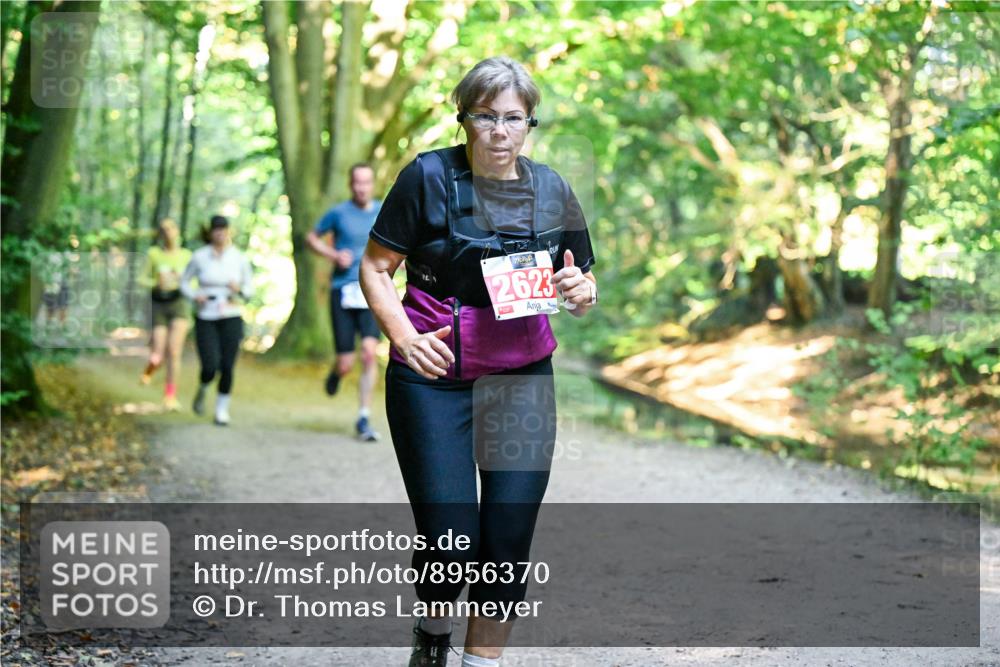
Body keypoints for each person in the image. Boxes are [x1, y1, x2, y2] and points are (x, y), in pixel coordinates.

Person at [359, 57, 597, 667]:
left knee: (508, 541)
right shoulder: (427, 178)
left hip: (519, 379)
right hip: (432, 379)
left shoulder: (552, 190)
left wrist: (581, 291)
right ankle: (433, 637)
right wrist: (404, 336)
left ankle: (480, 662)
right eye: (485, 117)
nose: (499, 131)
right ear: (464, 118)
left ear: (529, 123)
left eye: (513, 118)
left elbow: (579, 278)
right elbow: (377, 267)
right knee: (450, 543)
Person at [306, 163, 383, 442]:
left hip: (372, 289)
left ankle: (363, 416)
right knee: (347, 362)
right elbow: (311, 238)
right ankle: (337, 373)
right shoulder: (338, 213)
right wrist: (333, 255)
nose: (362, 187)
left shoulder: (382, 210)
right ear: (351, 185)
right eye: (357, 183)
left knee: (369, 352)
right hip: (343, 290)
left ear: (372, 184)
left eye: (367, 182)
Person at [180, 215, 253, 426]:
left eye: (223, 229)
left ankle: (222, 410)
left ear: (228, 231)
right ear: (210, 232)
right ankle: (203, 388)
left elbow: (250, 290)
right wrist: (195, 295)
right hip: (206, 315)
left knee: (228, 365)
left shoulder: (239, 258)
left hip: (231, 314)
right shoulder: (200, 257)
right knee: (210, 364)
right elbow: (184, 282)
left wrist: (239, 289)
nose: (219, 233)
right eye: (216, 230)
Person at [139, 218, 193, 411]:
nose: (167, 232)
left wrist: (182, 282)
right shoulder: (154, 254)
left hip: (179, 304)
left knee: (174, 350)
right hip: (159, 304)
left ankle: (170, 396)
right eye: (163, 229)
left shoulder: (187, 255)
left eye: (170, 228)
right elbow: (141, 279)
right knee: (158, 353)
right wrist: (156, 282)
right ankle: (149, 370)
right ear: (160, 234)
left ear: (177, 231)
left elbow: (195, 282)